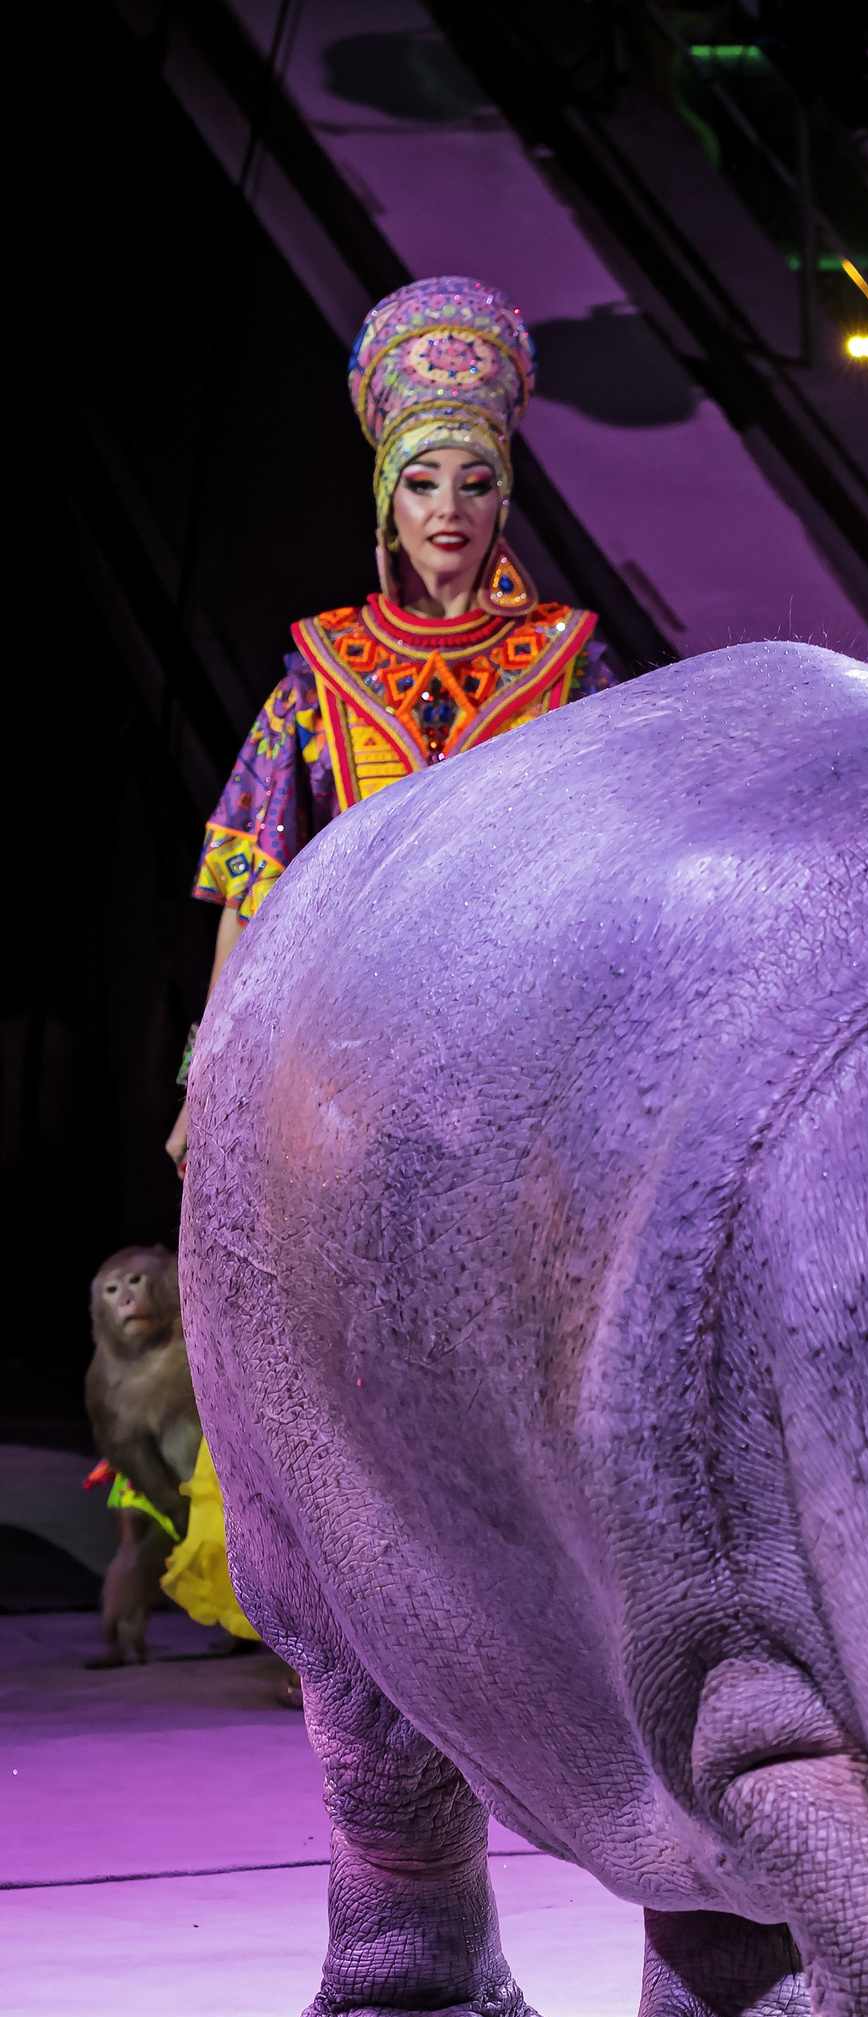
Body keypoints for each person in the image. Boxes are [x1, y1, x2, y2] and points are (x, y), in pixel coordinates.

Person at [164, 278, 614, 1630]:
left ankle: (541, 1615)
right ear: (386, 500)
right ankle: (365, 1615)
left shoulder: (566, 667)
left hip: (525, 1064)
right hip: (351, 1071)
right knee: (346, 1353)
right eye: (423, 482)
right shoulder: (322, 673)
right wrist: (210, 1073)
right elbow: (250, 885)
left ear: (504, 497)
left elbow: (625, 872)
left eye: (475, 482)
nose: (449, 511)